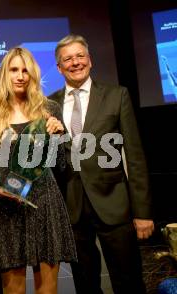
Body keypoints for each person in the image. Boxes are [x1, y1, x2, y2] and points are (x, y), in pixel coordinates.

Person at [48, 34, 154, 294]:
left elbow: (135, 157)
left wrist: (143, 212)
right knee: (85, 284)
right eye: (67, 59)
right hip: (72, 209)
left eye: (80, 56)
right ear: (59, 67)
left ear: (90, 60)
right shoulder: (48, 104)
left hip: (114, 206)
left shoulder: (117, 96)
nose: (75, 63)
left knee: (128, 281)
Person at [0, 47, 77, 294]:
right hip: (6, 206)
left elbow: (60, 165)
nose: (20, 76)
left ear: (32, 75)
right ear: (4, 75)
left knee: (47, 288)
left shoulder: (49, 109)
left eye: (25, 70)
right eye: (14, 70)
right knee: (13, 289)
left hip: (44, 203)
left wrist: (58, 136)